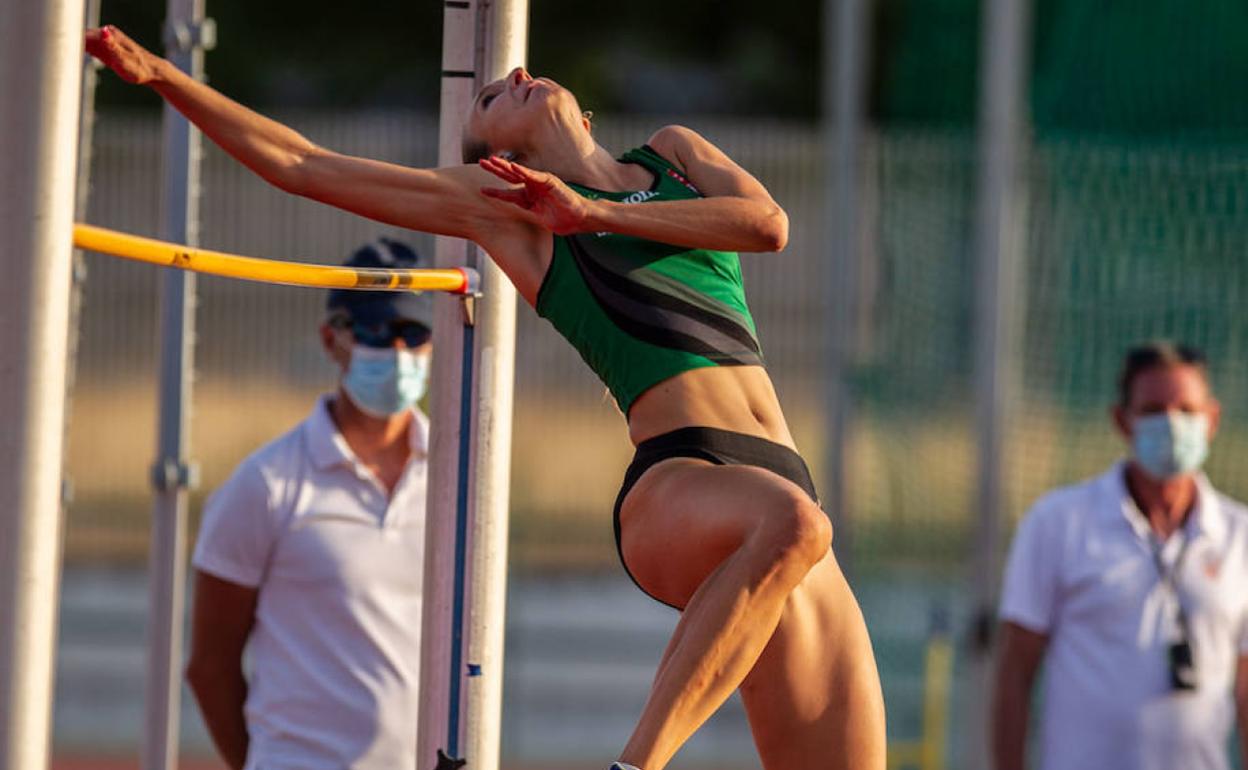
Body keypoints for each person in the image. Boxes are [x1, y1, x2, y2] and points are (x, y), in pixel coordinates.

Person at [88, 25, 886, 770]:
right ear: (491, 151)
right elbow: (301, 165)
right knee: (793, 522)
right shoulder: (508, 214)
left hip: (779, 482)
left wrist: (591, 212)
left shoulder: (675, 154)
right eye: (489, 99)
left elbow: (767, 225)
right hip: (678, 480)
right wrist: (165, 77)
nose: (513, 75)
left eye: (513, 78)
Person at [185, 238, 435, 770]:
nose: (396, 353)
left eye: (413, 334)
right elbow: (210, 667)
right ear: (332, 339)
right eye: (377, 332)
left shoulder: (460, 481)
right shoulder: (266, 484)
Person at [992, 341, 1248, 770]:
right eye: (1152, 411)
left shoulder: (1239, 534)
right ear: (1121, 420)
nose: (1171, 424)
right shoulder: (1058, 523)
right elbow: (1015, 672)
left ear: (1212, 419)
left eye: (1186, 410)